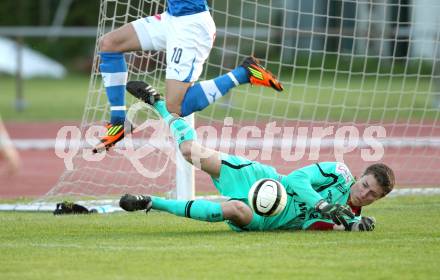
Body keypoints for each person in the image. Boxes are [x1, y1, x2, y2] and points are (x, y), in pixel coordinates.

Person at [118, 84, 395, 232]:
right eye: (366, 185)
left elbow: (336, 225)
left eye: (373, 195)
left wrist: (356, 226)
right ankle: (161, 106)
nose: (364, 194)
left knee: (232, 210)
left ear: (378, 200)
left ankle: (151, 202)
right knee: (191, 152)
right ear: (360, 176)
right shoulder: (339, 173)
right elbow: (298, 178)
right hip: (262, 179)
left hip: (268, 219)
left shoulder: (349, 216)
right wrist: (321, 203)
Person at [93, 0, 283, 153]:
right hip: (172, 18)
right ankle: (119, 121)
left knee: (176, 106)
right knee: (110, 43)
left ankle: (244, 73)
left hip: (191, 27)